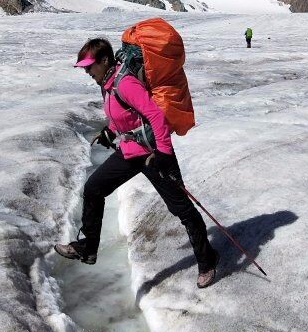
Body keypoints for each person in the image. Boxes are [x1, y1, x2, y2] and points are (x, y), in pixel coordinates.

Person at [54, 37, 219, 288]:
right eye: (85, 67)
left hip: (153, 153)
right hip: (130, 151)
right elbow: (125, 115)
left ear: (105, 60)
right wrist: (111, 130)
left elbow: (155, 116)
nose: (87, 71)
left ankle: (207, 261)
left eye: (89, 66)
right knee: (94, 188)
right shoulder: (107, 84)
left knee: (182, 209)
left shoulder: (126, 83)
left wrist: (163, 153)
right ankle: (87, 248)